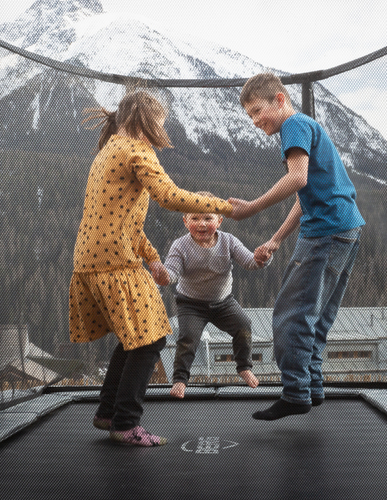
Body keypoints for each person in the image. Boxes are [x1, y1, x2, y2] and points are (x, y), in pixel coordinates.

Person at [69, 90, 232, 446]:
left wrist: (154, 258)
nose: (160, 129)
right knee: (152, 337)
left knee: (135, 339)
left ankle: (108, 412)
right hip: (114, 262)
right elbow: (170, 196)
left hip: (91, 261)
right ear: (144, 119)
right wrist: (227, 207)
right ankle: (125, 422)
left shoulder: (108, 150)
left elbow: (125, 221)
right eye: (158, 122)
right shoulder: (136, 150)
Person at [228, 73, 365, 420]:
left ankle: (295, 393)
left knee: (291, 314)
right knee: (317, 313)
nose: (257, 121)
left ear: (279, 99)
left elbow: (297, 178)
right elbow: (306, 196)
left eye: (259, 111)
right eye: (250, 116)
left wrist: (252, 207)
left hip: (325, 233)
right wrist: (276, 239)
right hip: (346, 228)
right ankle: (311, 386)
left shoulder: (293, 126)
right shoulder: (305, 127)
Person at [162, 193, 269, 399]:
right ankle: (180, 380)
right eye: (195, 218)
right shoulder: (180, 246)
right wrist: (164, 275)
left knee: (244, 326)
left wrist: (262, 258)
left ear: (219, 220)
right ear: (185, 221)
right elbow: (172, 272)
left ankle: (244, 367)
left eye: (208, 218)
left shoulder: (228, 241)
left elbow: (250, 262)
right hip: (190, 304)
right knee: (188, 339)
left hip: (223, 302)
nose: (201, 224)